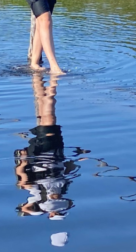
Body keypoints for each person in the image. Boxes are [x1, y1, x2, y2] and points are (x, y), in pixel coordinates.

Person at [13, 73, 83, 220]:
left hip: (40, 151)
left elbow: (23, 181)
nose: (55, 197)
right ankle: (39, 79)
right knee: (43, 114)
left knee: (48, 116)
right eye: (59, 201)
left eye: (54, 202)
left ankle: (53, 82)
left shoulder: (40, 193)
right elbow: (69, 168)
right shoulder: (63, 188)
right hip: (56, 149)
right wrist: (78, 158)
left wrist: (23, 161)